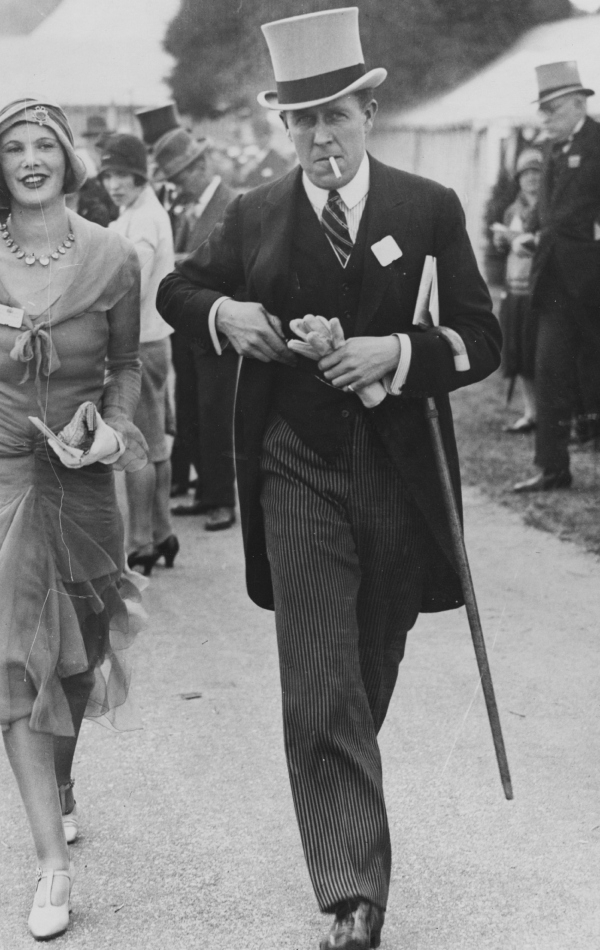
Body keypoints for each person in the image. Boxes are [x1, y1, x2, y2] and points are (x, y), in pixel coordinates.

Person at [157, 9, 501, 949]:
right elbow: (177, 290)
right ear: (285, 127)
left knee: (363, 671)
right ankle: (354, 894)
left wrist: (398, 349)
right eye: (301, 123)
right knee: (318, 680)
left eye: (335, 119)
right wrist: (228, 313)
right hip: (293, 466)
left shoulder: (427, 208)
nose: (320, 140)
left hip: (398, 476)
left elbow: (483, 338)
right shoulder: (252, 212)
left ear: (368, 113)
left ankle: (340, 786)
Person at [0, 98, 147, 940]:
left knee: (77, 659)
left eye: (45, 143)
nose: (32, 158)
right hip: (3, 471)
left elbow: (125, 368)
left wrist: (110, 430)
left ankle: (65, 781)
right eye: (15, 148)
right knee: (13, 660)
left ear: (68, 158)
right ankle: (52, 865)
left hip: (82, 475)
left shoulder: (114, 257)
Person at [514, 61, 600, 492]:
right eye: (542, 110)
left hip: (594, 284)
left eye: (552, 109)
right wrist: (527, 233)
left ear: (578, 103)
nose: (544, 118)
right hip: (552, 284)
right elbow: (546, 211)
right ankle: (552, 468)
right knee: (548, 373)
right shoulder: (549, 148)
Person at [101, 133, 179, 574]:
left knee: (137, 447)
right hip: (153, 341)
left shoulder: (144, 219)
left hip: (142, 344)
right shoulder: (137, 212)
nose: (115, 184)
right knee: (155, 445)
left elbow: (133, 281)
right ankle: (162, 532)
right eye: (109, 175)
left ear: (140, 176)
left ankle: (140, 542)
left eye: (123, 176)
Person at [154, 128, 238, 531]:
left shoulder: (233, 203)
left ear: (202, 165)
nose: (179, 185)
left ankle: (223, 499)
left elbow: (232, 267)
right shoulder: (188, 208)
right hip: (189, 327)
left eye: (184, 175)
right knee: (192, 409)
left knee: (216, 412)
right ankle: (206, 492)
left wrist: (178, 260)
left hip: (219, 326)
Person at [492, 148, 542, 434]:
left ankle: (555, 415)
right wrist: (502, 240)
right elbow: (505, 250)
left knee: (542, 354)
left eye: (536, 172)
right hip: (515, 289)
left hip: (541, 291)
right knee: (520, 353)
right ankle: (531, 412)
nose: (531, 179)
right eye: (526, 174)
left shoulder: (549, 208)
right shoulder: (513, 209)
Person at [235, 112, 293, 189]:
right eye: (256, 135)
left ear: (268, 136)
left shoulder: (276, 159)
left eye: (261, 136)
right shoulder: (250, 158)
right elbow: (241, 182)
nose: (257, 139)